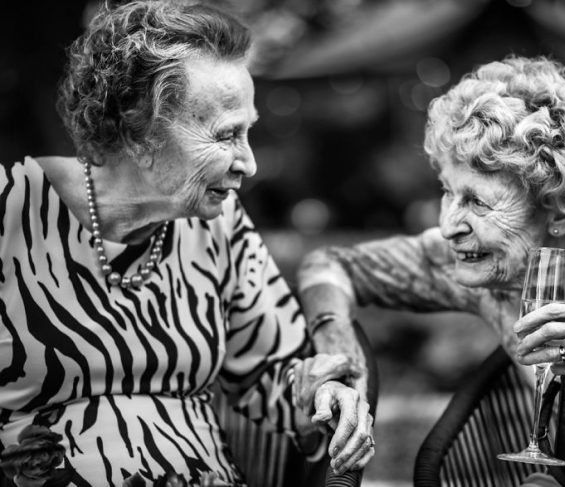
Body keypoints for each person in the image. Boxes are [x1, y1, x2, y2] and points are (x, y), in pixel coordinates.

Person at [296, 55, 565, 486]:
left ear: (561, 207)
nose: (448, 226)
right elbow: (331, 266)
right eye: (448, 192)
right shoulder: (476, 259)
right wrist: (341, 363)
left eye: (478, 202)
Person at [0, 1, 374, 486]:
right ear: (139, 130)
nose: (250, 163)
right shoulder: (11, 208)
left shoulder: (218, 225)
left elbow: (276, 373)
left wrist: (322, 394)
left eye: (249, 132)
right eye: (226, 136)